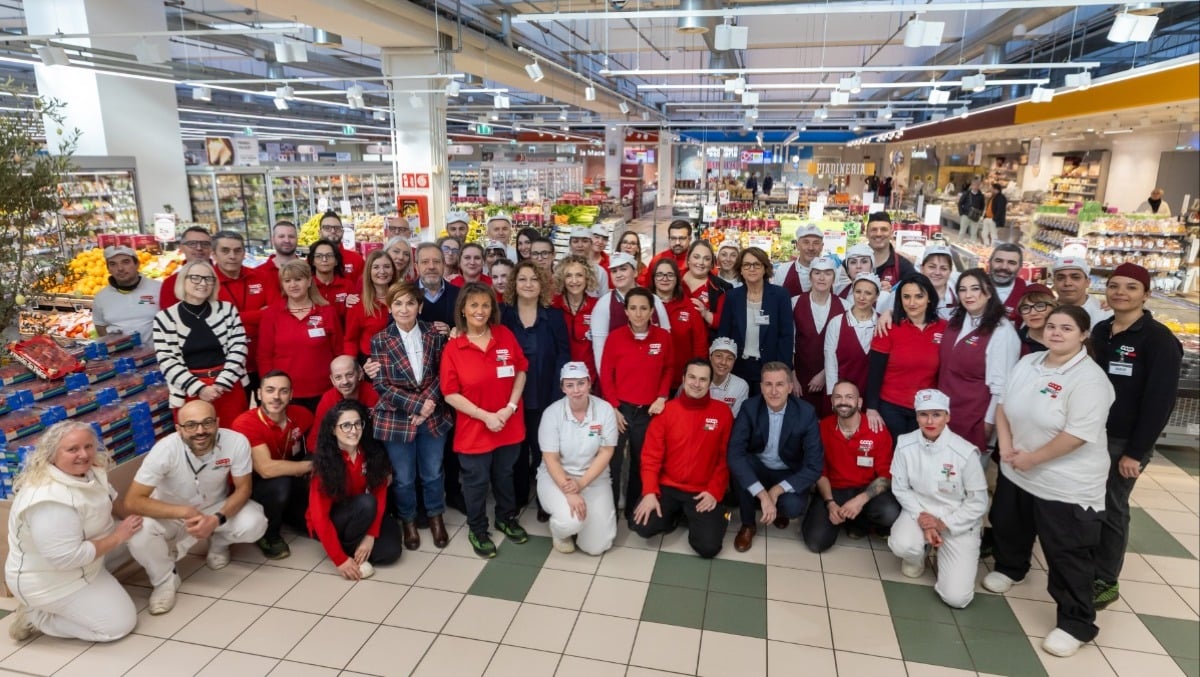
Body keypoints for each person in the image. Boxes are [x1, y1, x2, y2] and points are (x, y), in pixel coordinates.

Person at [984, 305, 1115, 657]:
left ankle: (1076, 622)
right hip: (1018, 468)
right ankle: (1011, 567)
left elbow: (1076, 435)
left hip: (1064, 481)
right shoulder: (1029, 363)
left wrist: (1033, 458)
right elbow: (1003, 406)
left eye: (1067, 328)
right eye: (1052, 326)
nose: (1056, 333)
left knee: (1066, 551)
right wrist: (1009, 446)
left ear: (1084, 335)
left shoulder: (1090, 380)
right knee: (1011, 525)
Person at [1090, 263, 1183, 610]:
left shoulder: (1158, 339)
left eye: (1130, 287)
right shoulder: (1101, 331)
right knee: (1091, 503)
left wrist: (1136, 452)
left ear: (1146, 294)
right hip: (1092, 435)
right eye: (1114, 286)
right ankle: (1088, 564)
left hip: (1124, 442)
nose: (1120, 293)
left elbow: (1161, 401)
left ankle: (1106, 579)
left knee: (1113, 507)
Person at [124, 400, 268, 615]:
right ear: (178, 429)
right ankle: (165, 581)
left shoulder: (236, 442)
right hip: (170, 512)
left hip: (214, 508)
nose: (200, 431)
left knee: (255, 522)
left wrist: (216, 519)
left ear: (217, 422)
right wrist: (184, 512)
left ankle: (219, 542)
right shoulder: (164, 449)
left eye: (207, 423)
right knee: (138, 533)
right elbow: (133, 501)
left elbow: (243, 489)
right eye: (191, 425)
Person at [4, 422, 141, 642]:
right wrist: (118, 536)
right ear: (51, 455)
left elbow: (110, 498)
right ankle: (37, 616)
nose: (84, 454)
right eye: (72, 449)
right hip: (52, 581)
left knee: (145, 534)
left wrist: (134, 521)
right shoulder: (49, 500)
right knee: (118, 626)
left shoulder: (90, 471)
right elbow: (67, 558)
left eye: (88, 446)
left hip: (89, 563)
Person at [440, 282, 530, 558]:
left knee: (504, 475)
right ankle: (478, 528)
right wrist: (486, 416)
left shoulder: (504, 335)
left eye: (485, 305)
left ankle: (506, 517)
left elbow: (521, 371)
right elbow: (450, 394)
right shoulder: (454, 348)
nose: (480, 310)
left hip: (508, 424)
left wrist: (510, 408)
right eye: (474, 305)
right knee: (476, 482)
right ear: (463, 310)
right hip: (474, 430)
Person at [371, 281, 453, 550]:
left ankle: (435, 515)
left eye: (409, 303)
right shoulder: (381, 340)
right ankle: (407, 519)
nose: (404, 309)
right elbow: (381, 384)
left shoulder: (434, 333)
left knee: (432, 472)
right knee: (404, 476)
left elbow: (445, 372)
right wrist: (416, 405)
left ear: (419, 306)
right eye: (397, 303)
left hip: (433, 414)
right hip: (397, 417)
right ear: (390, 307)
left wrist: (428, 403)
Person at [888, 389, 988, 608]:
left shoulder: (964, 453)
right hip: (920, 511)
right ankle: (919, 553)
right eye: (923, 414)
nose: (930, 420)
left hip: (958, 520)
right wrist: (923, 517)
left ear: (948, 416)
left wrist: (944, 524)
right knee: (902, 545)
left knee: (957, 599)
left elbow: (978, 502)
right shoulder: (905, 444)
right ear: (916, 417)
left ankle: (945, 552)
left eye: (937, 414)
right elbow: (900, 488)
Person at [631, 360, 733, 558]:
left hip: (702, 491)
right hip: (667, 486)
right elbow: (651, 457)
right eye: (692, 377)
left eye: (703, 379)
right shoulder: (667, 411)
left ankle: (716, 515)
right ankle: (676, 515)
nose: (697, 383)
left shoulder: (722, 413)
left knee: (708, 548)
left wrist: (714, 491)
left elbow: (725, 458)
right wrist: (650, 492)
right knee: (641, 527)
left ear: (710, 382)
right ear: (684, 379)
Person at [726, 363, 823, 552]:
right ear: (761, 387)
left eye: (780, 384)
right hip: (758, 465)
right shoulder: (750, 407)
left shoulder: (806, 413)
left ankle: (778, 509)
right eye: (768, 384)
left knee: (793, 507)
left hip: (787, 471)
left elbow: (814, 465)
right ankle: (748, 524)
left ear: (790, 387)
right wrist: (763, 494)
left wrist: (776, 491)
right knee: (742, 467)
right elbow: (735, 453)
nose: (773, 391)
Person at [502, 261, 570, 512]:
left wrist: (557, 393)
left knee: (544, 450)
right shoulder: (504, 314)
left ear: (542, 284)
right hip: (511, 396)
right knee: (516, 450)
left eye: (534, 279)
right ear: (514, 284)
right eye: (522, 279)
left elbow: (563, 354)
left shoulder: (553, 316)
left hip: (545, 393)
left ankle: (546, 500)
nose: (528, 284)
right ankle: (519, 496)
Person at [600, 287, 674, 517]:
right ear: (626, 311)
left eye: (644, 308)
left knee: (640, 463)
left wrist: (662, 396)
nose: (639, 313)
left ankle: (634, 509)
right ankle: (608, 510)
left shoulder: (663, 337)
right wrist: (613, 407)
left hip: (648, 412)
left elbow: (669, 368)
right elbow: (606, 374)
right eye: (633, 308)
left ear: (652, 310)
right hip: (620, 410)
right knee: (613, 463)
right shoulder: (615, 338)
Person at [308, 400, 402, 580]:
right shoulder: (325, 464)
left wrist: (370, 536)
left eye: (357, 423)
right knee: (366, 503)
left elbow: (380, 493)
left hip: (363, 515)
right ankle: (345, 551)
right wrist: (340, 560)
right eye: (345, 425)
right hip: (338, 519)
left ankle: (357, 548)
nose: (353, 430)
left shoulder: (371, 452)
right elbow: (319, 517)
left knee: (390, 552)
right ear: (332, 429)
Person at [803, 380, 898, 552]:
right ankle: (844, 518)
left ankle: (858, 522)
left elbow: (886, 476)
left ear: (859, 402)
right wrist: (830, 503)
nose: (843, 401)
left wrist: (859, 501)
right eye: (838, 397)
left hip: (866, 491)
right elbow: (819, 471)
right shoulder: (822, 428)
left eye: (849, 397)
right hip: (834, 491)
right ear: (832, 402)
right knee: (815, 543)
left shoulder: (877, 430)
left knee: (889, 512)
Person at [230, 371, 314, 560]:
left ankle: (284, 513)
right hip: (254, 485)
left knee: (312, 526)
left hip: (290, 477)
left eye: (283, 391)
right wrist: (309, 466)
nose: (276, 397)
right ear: (259, 394)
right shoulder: (246, 423)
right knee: (280, 482)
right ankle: (268, 535)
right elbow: (266, 469)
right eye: (270, 390)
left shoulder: (302, 415)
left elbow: (318, 444)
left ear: (291, 395)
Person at [153, 260, 249, 424]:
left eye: (208, 278)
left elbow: (239, 348)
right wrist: (200, 389)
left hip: (229, 386)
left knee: (235, 438)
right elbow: (167, 360)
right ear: (183, 280)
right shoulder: (165, 318)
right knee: (198, 441)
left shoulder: (227, 310)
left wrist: (221, 383)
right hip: (189, 390)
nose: (203, 283)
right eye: (195, 278)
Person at [537, 362, 619, 555]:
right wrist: (570, 491)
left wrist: (581, 483)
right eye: (570, 385)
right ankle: (560, 531)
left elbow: (606, 451)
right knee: (570, 521)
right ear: (562, 388)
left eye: (581, 383)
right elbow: (551, 458)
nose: (576, 390)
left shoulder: (605, 410)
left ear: (589, 384)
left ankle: (583, 521)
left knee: (597, 547)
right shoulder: (552, 414)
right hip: (557, 477)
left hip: (593, 477)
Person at [938, 269, 1020, 455]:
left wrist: (988, 423)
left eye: (975, 289)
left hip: (974, 417)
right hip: (944, 412)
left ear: (989, 292)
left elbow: (1001, 386)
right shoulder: (955, 320)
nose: (968, 295)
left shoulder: (1002, 331)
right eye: (962, 289)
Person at [865, 273, 946, 441]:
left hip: (926, 408)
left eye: (919, 296)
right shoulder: (888, 326)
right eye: (906, 297)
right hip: (891, 407)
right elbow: (875, 371)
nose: (912, 302)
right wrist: (871, 407)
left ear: (929, 298)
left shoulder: (944, 328)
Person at [258, 260, 342, 412]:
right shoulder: (272, 314)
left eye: (298, 279)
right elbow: (264, 356)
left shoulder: (327, 312)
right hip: (285, 393)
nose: (293, 285)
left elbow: (338, 351)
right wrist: (269, 389)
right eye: (287, 281)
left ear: (309, 281)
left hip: (323, 391)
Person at [718, 247, 795, 396]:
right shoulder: (733, 297)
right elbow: (724, 333)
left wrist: (783, 370)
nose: (751, 269)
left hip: (770, 368)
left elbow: (786, 336)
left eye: (757, 264)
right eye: (746, 265)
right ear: (740, 269)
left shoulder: (780, 295)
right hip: (739, 367)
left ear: (765, 268)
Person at [211, 231, 272, 394]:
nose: (232, 256)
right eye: (225, 250)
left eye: (237, 250)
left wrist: (230, 317)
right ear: (213, 254)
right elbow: (211, 320)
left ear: (244, 253)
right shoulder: (208, 283)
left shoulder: (261, 277)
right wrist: (257, 315)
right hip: (227, 365)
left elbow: (274, 313)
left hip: (263, 360)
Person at [591, 253, 671, 372]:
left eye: (623, 269)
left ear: (635, 272)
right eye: (614, 271)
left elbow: (666, 341)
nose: (618, 275)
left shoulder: (654, 300)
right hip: (618, 380)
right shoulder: (603, 305)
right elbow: (600, 351)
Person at [791, 256, 846, 416]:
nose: (822, 278)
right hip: (799, 378)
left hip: (830, 377)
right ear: (810, 276)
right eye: (817, 273)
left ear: (834, 278)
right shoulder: (794, 303)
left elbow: (842, 347)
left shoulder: (845, 305)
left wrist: (824, 375)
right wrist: (792, 378)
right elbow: (789, 343)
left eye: (828, 273)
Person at [652, 258, 708, 390]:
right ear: (653, 278)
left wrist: (695, 375)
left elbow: (700, 345)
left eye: (670, 274)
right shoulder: (645, 304)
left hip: (680, 381)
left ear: (677, 278)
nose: (664, 278)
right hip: (650, 378)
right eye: (659, 274)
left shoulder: (688, 306)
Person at [92, 244, 162, 344]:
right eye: (113, 264)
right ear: (108, 269)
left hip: (155, 356)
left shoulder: (158, 288)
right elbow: (100, 326)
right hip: (120, 358)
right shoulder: (101, 297)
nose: (120, 268)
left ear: (137, 264)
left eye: (126, 262)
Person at [824, 273, 880, 397]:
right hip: (842, 394)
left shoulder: (883, 323)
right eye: (858, 291)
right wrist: (834, 395)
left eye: (868, 293)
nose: (862, 297)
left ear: (876, 296)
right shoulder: (836, 322)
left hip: (873, 394)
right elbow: (830, 362)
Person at [310, 355, 381, 450]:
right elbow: (316, 437)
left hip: (371, 447)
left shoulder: (375, 394)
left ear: (360, 373)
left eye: (349, 375)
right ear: (332, 380)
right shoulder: (328, 399)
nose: (345, 381)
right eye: (338, 377)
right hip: (338, 449)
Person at [553, 255, 601, 385]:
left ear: (587, 278)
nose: (574, 281)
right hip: (559, 378)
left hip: (589, 377)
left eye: (579, 275)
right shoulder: (553, 305)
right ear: (562, 279)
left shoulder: (597, 306)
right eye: (568, 275)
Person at [343, 250, 396, 361]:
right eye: (376, 267)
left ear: (393, 271)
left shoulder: (402, 299)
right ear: (368, 272)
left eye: (387, 266)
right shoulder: (357, 305)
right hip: (371, 362)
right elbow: (350, 340)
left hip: (402, 360)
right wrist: (352, 365)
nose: (382, 271)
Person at [773, 225, 850, 297]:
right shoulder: (783, 270)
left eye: (816, 243)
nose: (811, 248)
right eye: (806, 242)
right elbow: (776, 300)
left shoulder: (835, 271)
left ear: (821, 247)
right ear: (797, 245)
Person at [680, 239, 731, 333]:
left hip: (706, 344)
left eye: (707, 259)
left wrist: (706, 314)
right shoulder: (674, 279)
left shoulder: (721, 288)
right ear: (688, 259)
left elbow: (725, 323)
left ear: (712, 264)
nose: (701, 262)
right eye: (696, 257)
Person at [159, 226, 213, 309]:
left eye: (205, 244)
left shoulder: (223, 275)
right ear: (181, 248)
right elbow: (168, 317)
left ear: (211, 248)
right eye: (192, 244)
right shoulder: (171, 283)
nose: (199, 248)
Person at [1052, 256, 1112, 327]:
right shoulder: (1043, 312)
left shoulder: (1105, 314)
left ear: (1087, 282)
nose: (1067, 283)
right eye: (1060, 278)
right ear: (1054, 282)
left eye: (1075, 277)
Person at [865, 212, 915, 291]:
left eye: (884, 229)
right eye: (874, 230)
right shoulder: (853, 262)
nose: (878, 234)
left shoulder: (904, 266)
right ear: (867, 234)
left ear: (891, 233)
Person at [415, 242, 459, 331]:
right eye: (425, 262)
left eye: (436, 262)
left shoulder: (459, 295)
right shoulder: (403, 294)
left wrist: (451, 332)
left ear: (443, 265)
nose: (431, 266)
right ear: (417, 267)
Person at [308, 239, 354, 323]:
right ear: (312, 261)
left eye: (329, 255)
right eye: (319, 256)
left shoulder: (347, 286)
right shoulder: (307, 286)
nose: (324, 259)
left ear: (336, 261)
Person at [704, 337, 750, 417]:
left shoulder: (741, 386)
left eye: (729, 358)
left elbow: (736, 420)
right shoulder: (696, 380)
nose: (723, 362)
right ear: (710, 357)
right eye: (719, 356)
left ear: (734, 362)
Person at [637, 220, 691, 288]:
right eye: (673, 238)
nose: (677, 243)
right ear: (669, 239)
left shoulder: (697, 262)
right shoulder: (658, 260)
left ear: (690, 239)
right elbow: (645, 284)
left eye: (682, 238)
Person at [317, 211, 365, 282]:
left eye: (337, 228)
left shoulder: (357, 260)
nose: (333, 231)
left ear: (342, 232)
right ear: (320, 233)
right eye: (327, 228)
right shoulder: (311, 261)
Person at [987, 244, 1028, 325]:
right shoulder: (972, 284)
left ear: (1020, 268)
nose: (1004, 267)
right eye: (998, 261)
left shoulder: (1027, 292)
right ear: (989, 263)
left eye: (1011, 263)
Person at [256, 220, 302, 291]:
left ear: (297, 239)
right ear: (273, 240)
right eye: (281, 236)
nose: (287, 240)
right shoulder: (258, 273)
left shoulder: (308, 269)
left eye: (291, 236)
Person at [919, 245, 959, 320]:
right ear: (922, 268)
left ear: (950, 272)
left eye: (943, 268)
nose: (937, 272)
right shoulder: (907, 290)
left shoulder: (958, 294)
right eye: (932, 267)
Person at [1016, 284, 1056, 355]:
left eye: (1040, 306)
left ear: (1054, 307)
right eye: (1025, 308)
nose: (1033, 313)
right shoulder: (1015, 342)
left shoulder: (1067, 338)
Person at [569, 227, 610, 295]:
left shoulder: (600, 272)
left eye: (585, 241)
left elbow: (604, 299)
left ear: (591, 244)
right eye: (575, 241)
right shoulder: (561, 269)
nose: (580, 245)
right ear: (570, 245)